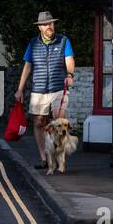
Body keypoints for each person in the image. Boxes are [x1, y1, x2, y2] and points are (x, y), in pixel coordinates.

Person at [13, 10, 75, 169]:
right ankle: (45, 157)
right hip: (38, 89)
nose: (50, 26)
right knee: (39, 123)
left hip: (58, 88)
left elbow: (69, 60)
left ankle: (60, 158)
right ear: (40, 27)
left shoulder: (63, 41)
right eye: (46, 24)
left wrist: (69, 74)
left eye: (51, 23)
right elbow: (27, 68)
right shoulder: (33, 44)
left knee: (58, 121)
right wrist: (20, 89)